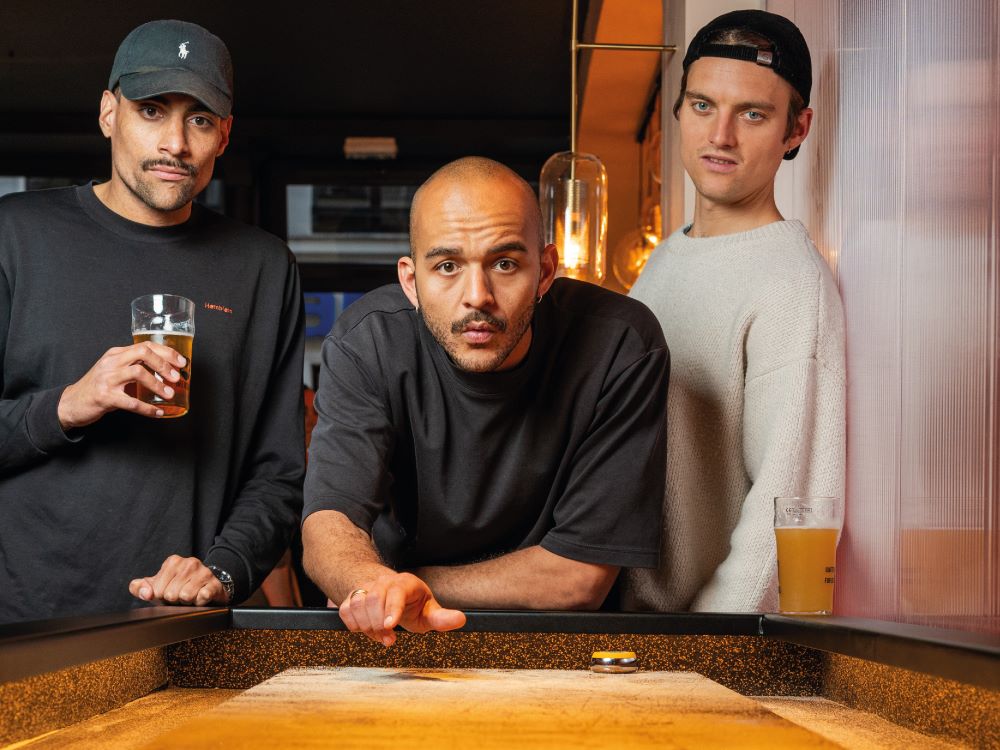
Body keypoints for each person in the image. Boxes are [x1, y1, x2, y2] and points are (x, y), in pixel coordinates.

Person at [0, 20, 305, 624]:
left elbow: (279, 475)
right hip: (24, 627)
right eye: (152, 110)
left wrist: (223, 571)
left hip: (182, 630)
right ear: (109, 113)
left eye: (199, 119)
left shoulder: (262, 267)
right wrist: (68, 404)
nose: (176, 144)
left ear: (224, 134)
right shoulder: (15, 235)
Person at [302, 157, 669, 645]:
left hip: (562, 645)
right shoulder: (366, 343)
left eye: (505, 263)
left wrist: (399, 587)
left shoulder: (621, 345)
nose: (477, 296)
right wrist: (371, 584)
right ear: (411, 281)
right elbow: (328, 523)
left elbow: (579, 580)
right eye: (448, 266)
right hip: (397, 639)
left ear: (545, 272)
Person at [623, 10, 845, 613]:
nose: (720, 136)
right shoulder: (664, 262)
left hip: (694, 644)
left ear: (796, 130)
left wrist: (708, 653)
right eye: (702, 106)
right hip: (630, 628)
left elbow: (788, 504)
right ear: (679, 113)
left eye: (752, 114)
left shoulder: (792, 282)